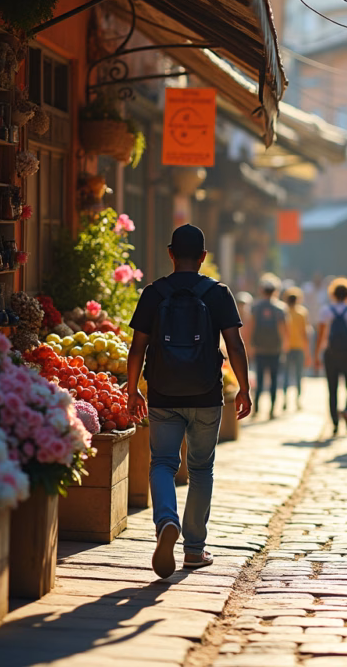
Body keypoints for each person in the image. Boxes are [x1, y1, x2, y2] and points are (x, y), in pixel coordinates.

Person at [126, 224, 251, 579]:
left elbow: (138, 347)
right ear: (203, 257)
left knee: (163, 463)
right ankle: (194, 550)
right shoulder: (218, 293)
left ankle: (166, 520)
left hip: (163, 393)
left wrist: (133, 388)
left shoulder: (154, 292)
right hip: (206, 394)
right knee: (200, 469)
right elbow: (235, 345)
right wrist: (243, 388)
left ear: (170, 253)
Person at [313, 277, 347, 436]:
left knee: (332, 390)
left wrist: (316, 355)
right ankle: (346, 410)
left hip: (330, 354)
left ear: (332, 294)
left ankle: (334, 422)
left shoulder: (326, 311)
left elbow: (320, 335)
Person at [245, 273, 288, 419]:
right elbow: (283, 329)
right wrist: (284, 345)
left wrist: (250, 344)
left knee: (260, 378)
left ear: (262, 290)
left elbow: (251, 326)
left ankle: (256, 408)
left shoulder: (256, 307)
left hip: (260, 347)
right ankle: (272, 409)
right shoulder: (280, 308)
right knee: (275, 379)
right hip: (275, 348)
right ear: (276, 290)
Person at [282, 287, 311, 411]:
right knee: (299, 375)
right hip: (299, 347)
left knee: (286, 375)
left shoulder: (283, 311)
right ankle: (297, 401)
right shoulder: (302, 312)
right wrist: (307, 351)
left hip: (286, 347)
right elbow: (305, 332)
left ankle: (284, 400)